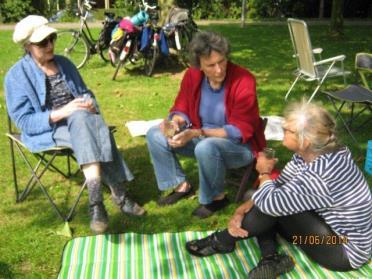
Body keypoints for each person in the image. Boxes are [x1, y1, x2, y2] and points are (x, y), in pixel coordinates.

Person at [185, 101, 372, 278]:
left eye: (287, 130)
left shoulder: (323, 174)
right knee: (255, 196)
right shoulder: (312, 154)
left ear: (305, 140)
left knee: (269, 203)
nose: (282, 130)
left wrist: (264, 172)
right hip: (322, 228)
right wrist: (242, 208)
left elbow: (271, 204)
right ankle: (270, 257)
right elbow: (281, 183)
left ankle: (223, 241)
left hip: (342, 249)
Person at [5, 15, 145, 234]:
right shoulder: (16, 76)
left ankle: (96, 203)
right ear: (27, 46)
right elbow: (25, 122)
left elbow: (86, 94)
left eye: (52, 38)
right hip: (48, 130)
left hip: (81, 124)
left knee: (85, 119)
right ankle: (119, 195)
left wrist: (88, 104)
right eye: (43, 43)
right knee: (91, 127)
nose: (50, 45)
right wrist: (63, 112)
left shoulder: (65, 64)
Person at [146, 31, 266, 218]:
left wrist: (196, 133)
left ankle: (216, 198)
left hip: (238, 146)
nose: (219, 69)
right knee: (154, 134)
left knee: (205, 146)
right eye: (211, 65)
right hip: (200, 137)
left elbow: (239, 131)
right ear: (199, 65)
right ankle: (181, 186)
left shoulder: (244, 80)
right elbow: (182, 106)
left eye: (222, 61)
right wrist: (175, 121)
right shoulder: (193, 76)